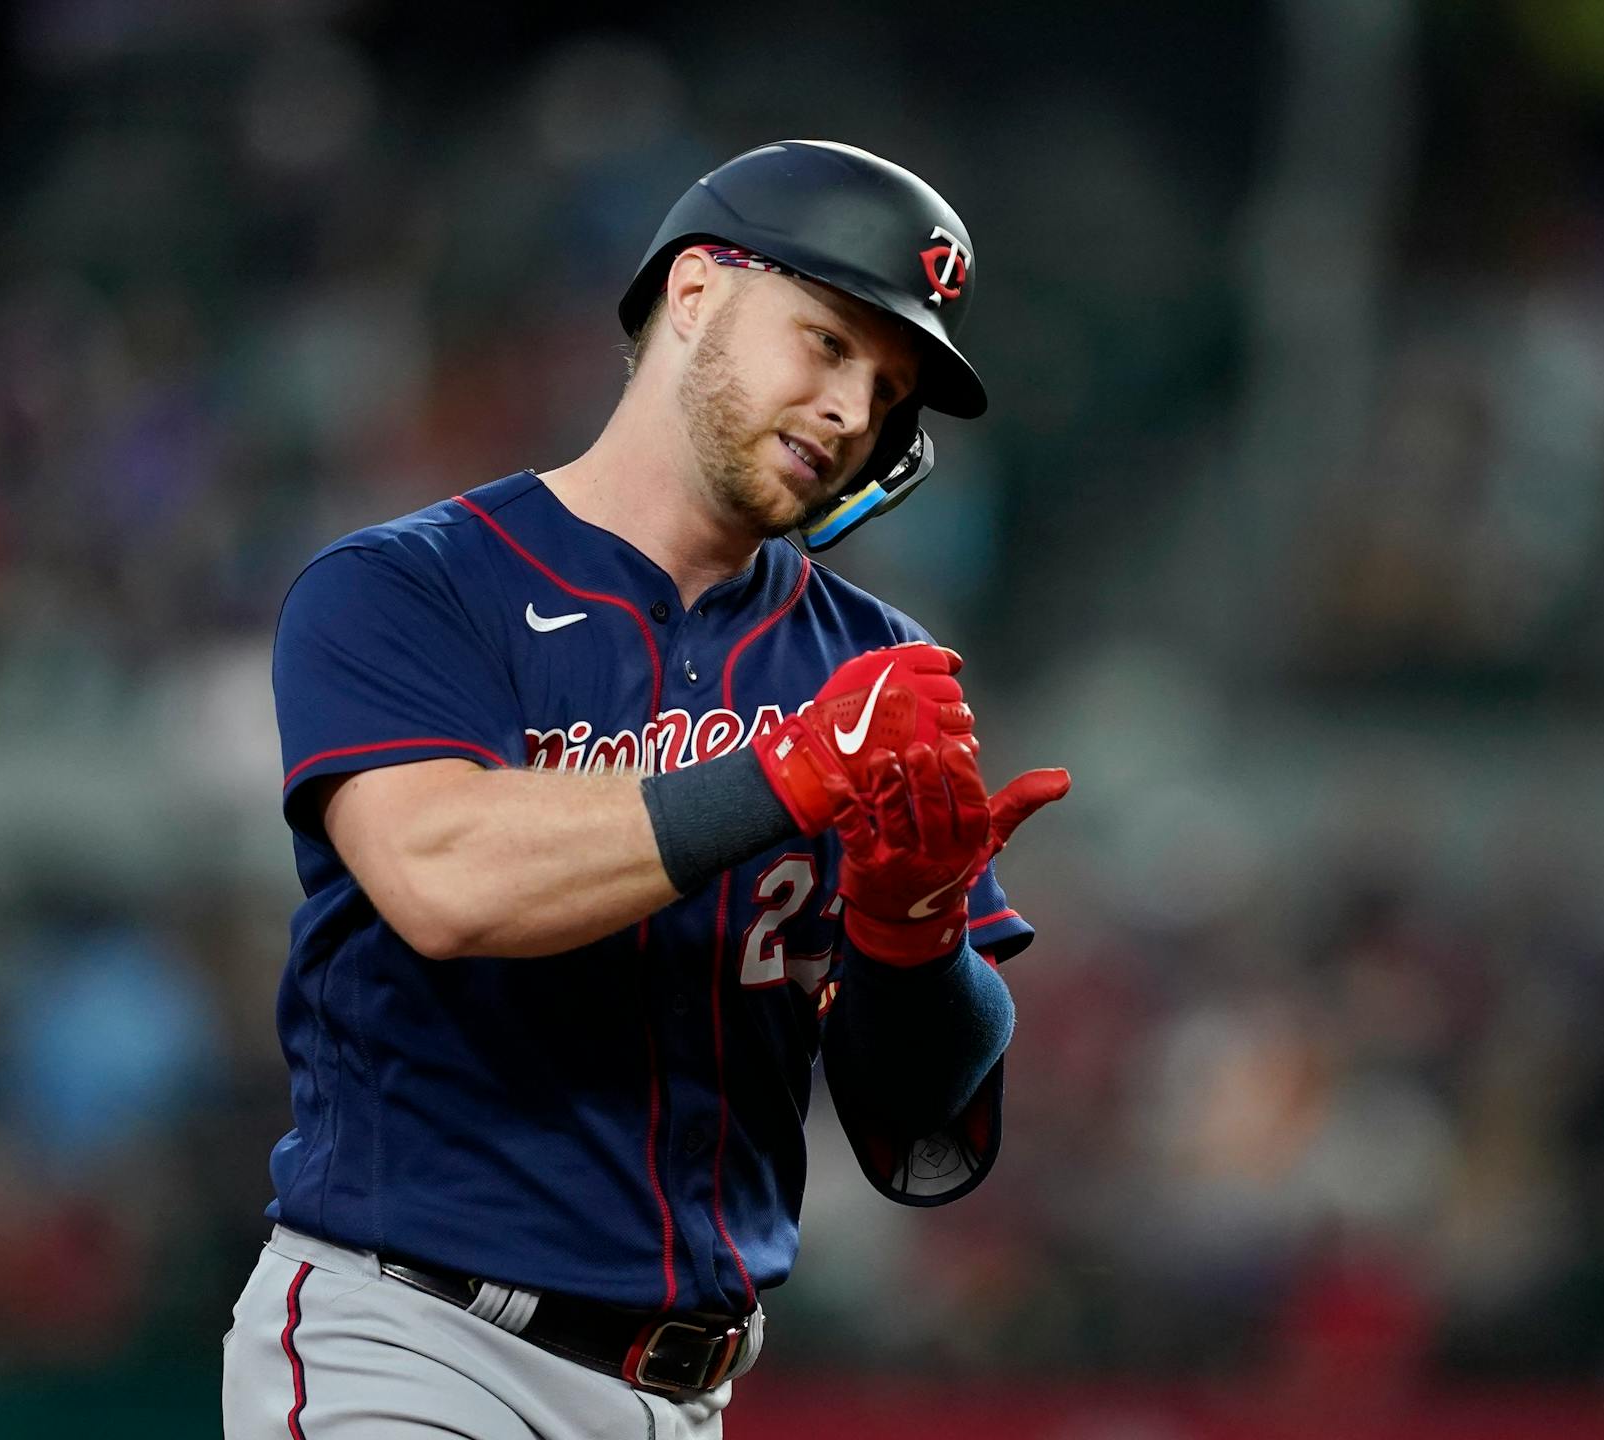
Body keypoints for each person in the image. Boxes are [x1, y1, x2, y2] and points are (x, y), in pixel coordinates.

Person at [221, 139, 1070, 1440]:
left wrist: (917, 938)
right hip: (413, 1345)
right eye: (830, 343)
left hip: (686, 1395)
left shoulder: (870, 667)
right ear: (695, 294)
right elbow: (442, 878)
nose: (856, 413)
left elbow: (924, 1148)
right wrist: (790, 772)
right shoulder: (410, 588)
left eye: (892, 390)